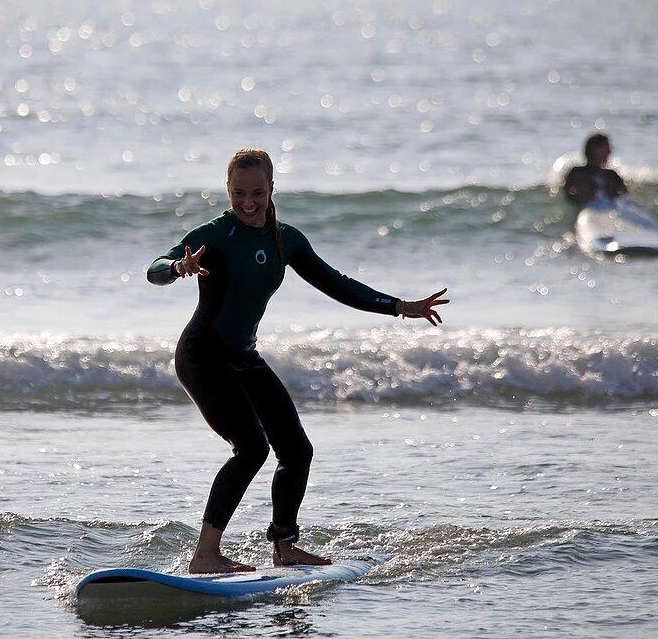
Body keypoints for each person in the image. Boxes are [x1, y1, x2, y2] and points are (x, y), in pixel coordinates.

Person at [148, 148, 449, 574]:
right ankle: (206, 555)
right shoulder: (215, 235)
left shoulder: (284, 239)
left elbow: (336, 284)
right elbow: (155, 268)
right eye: (238, 193)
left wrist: (399, 306)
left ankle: (284, 546)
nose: (248, 203)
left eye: (257, 193)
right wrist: (180, 266)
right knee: (252, 448)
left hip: (243, 356)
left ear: (272, 188)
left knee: (296, 450)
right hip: (203, 356)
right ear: (227, 190)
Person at [562, 132, 629, 207]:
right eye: (605, 148)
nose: (609, 152)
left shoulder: (611, 175)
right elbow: (567, 195)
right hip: (587, 211)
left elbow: (625, 196)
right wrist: (582, 198)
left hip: (609, 211)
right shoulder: (577, 173)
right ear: (594, 149)